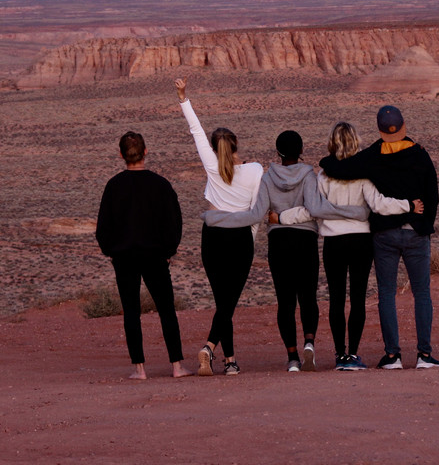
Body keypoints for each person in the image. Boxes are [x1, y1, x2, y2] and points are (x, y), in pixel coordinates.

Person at [201, 130, 370, 372]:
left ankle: (292, 358)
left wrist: (213, 217)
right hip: (305, 240)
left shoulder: (268, 179)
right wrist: (355, 212)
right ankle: (309, 342)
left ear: (278, 153)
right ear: (301, 151)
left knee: (285, 302)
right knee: (308, 297)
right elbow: (315, 208)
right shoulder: (309, 176)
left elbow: (254, 215)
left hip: (279, 242)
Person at [275, 122, 424, 371]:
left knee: (336, 299)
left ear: (332, 142)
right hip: (361, 242)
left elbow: (310, 210)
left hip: (333, 243)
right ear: (355, 141)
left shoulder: (322, 176)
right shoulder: (364, 173)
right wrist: (408, 205)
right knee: (356, 298)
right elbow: (379, 204)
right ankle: (353, 355)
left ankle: (339, 355)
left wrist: (281, 218)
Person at [319, 106, 439, 370]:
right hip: (415, 232)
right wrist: (423, 222)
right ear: (403, 125)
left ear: (380, 130)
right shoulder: (420, 154)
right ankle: (424, 355)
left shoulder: (372, 156)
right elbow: (433, 194)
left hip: (384, 235)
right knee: (421, 292)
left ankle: (393, 356)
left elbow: (341, 168)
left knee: (386, 293)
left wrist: (324, 162)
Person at [175, 78, 263, 376]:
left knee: (222, 302)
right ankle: (210, 349)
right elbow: (256, 211)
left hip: (212, 237)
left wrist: (184, 98)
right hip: (240, 239)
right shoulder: (255, 171)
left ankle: (229, 361)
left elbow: (196, 131)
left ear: (214, 150)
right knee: (228, 302)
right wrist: (252, 240)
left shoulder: (212, 167)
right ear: (237, 145)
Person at [96, 131, 191, 380]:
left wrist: (111, 251)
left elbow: (103, 227)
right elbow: (174, 222)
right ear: (146, 152)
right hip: (156, 256)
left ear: (121, 155)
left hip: (124, 257)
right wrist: (169, 251)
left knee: (131, 312)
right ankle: (177, 366)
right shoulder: (160, 185)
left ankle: (139, 369)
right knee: (166, 310)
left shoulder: (114, 186)